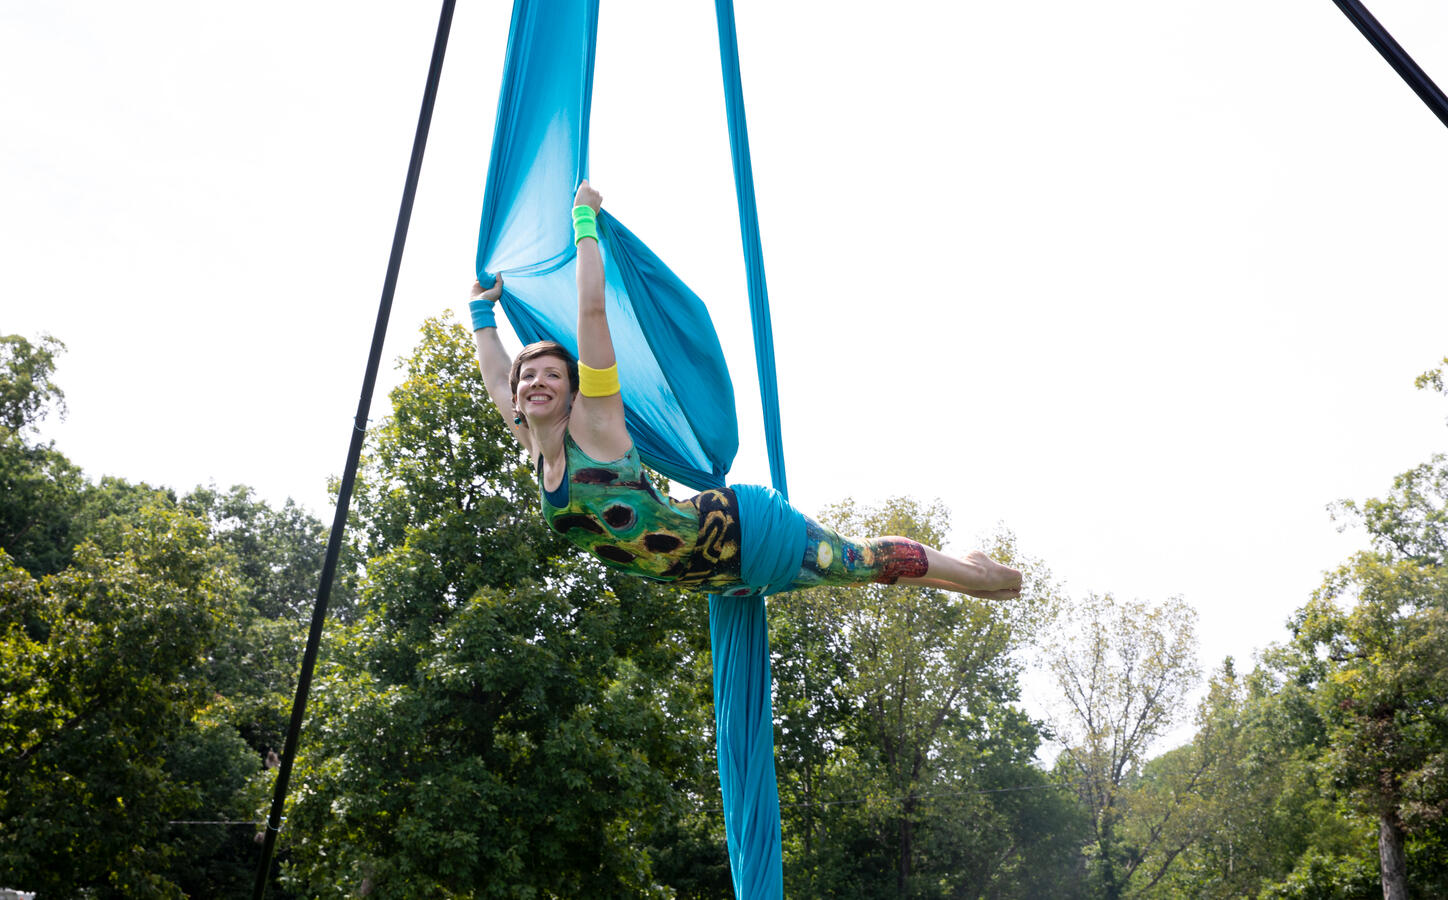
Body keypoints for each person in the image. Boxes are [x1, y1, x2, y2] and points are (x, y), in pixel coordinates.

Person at [466, 181, 1022, 602]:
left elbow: (591, 311)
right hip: (720, 581)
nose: (536, 382)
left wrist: (583, 221)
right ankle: (969, 574)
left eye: (552, 375)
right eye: (529, 377)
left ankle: (974, 576)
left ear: (573, 391)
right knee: (853, 570)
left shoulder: (595, 425)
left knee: (857, 562)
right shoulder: (536, 449)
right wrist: (480, 309)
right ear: (518, 401)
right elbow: (496, 374)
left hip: (743, 535)